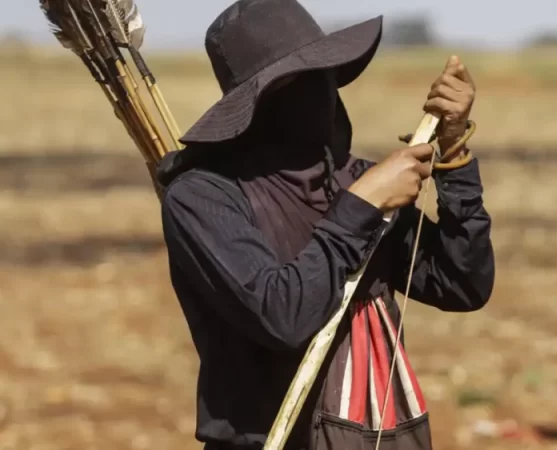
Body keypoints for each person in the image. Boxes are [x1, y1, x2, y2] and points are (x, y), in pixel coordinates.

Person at [156, 0, 494, 449]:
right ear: (257, 102)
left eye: (324, 74)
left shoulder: (351, 178)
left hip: (375, 435)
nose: (317, 93)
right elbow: (283, 316)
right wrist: (358, 209)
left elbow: (461, 284)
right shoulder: (203, 197)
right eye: (295, 82)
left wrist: (453, 159)